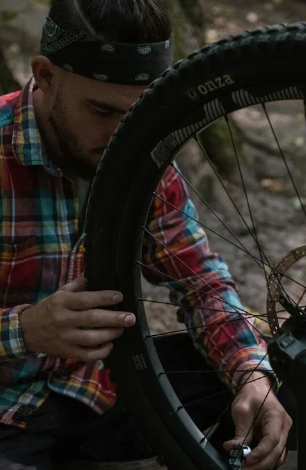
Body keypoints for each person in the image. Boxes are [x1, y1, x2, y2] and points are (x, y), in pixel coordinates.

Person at [0, 1, 294, 469]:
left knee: (276, 380)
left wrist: (250, 377)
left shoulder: (141, 148)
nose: (122, 135)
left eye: (137, 113)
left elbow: (200, 279)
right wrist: (24, 330)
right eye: (101, 109)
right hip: (7, 408)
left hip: (94, 392)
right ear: (46, 75)